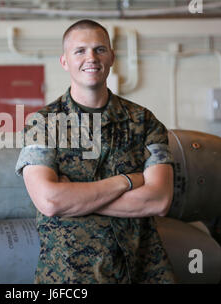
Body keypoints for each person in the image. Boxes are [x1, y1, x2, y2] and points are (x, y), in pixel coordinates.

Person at [15, 19, 176, 283]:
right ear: (64, 61)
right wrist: (127, 181)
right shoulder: (43, 124)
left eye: (99, 49)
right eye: (80, 50)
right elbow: (51, 201)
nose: (91, 57)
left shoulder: (144, 121)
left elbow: (158, 200)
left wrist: (77, 200)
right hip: (69, 277)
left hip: (141, 272)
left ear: (111, 57)